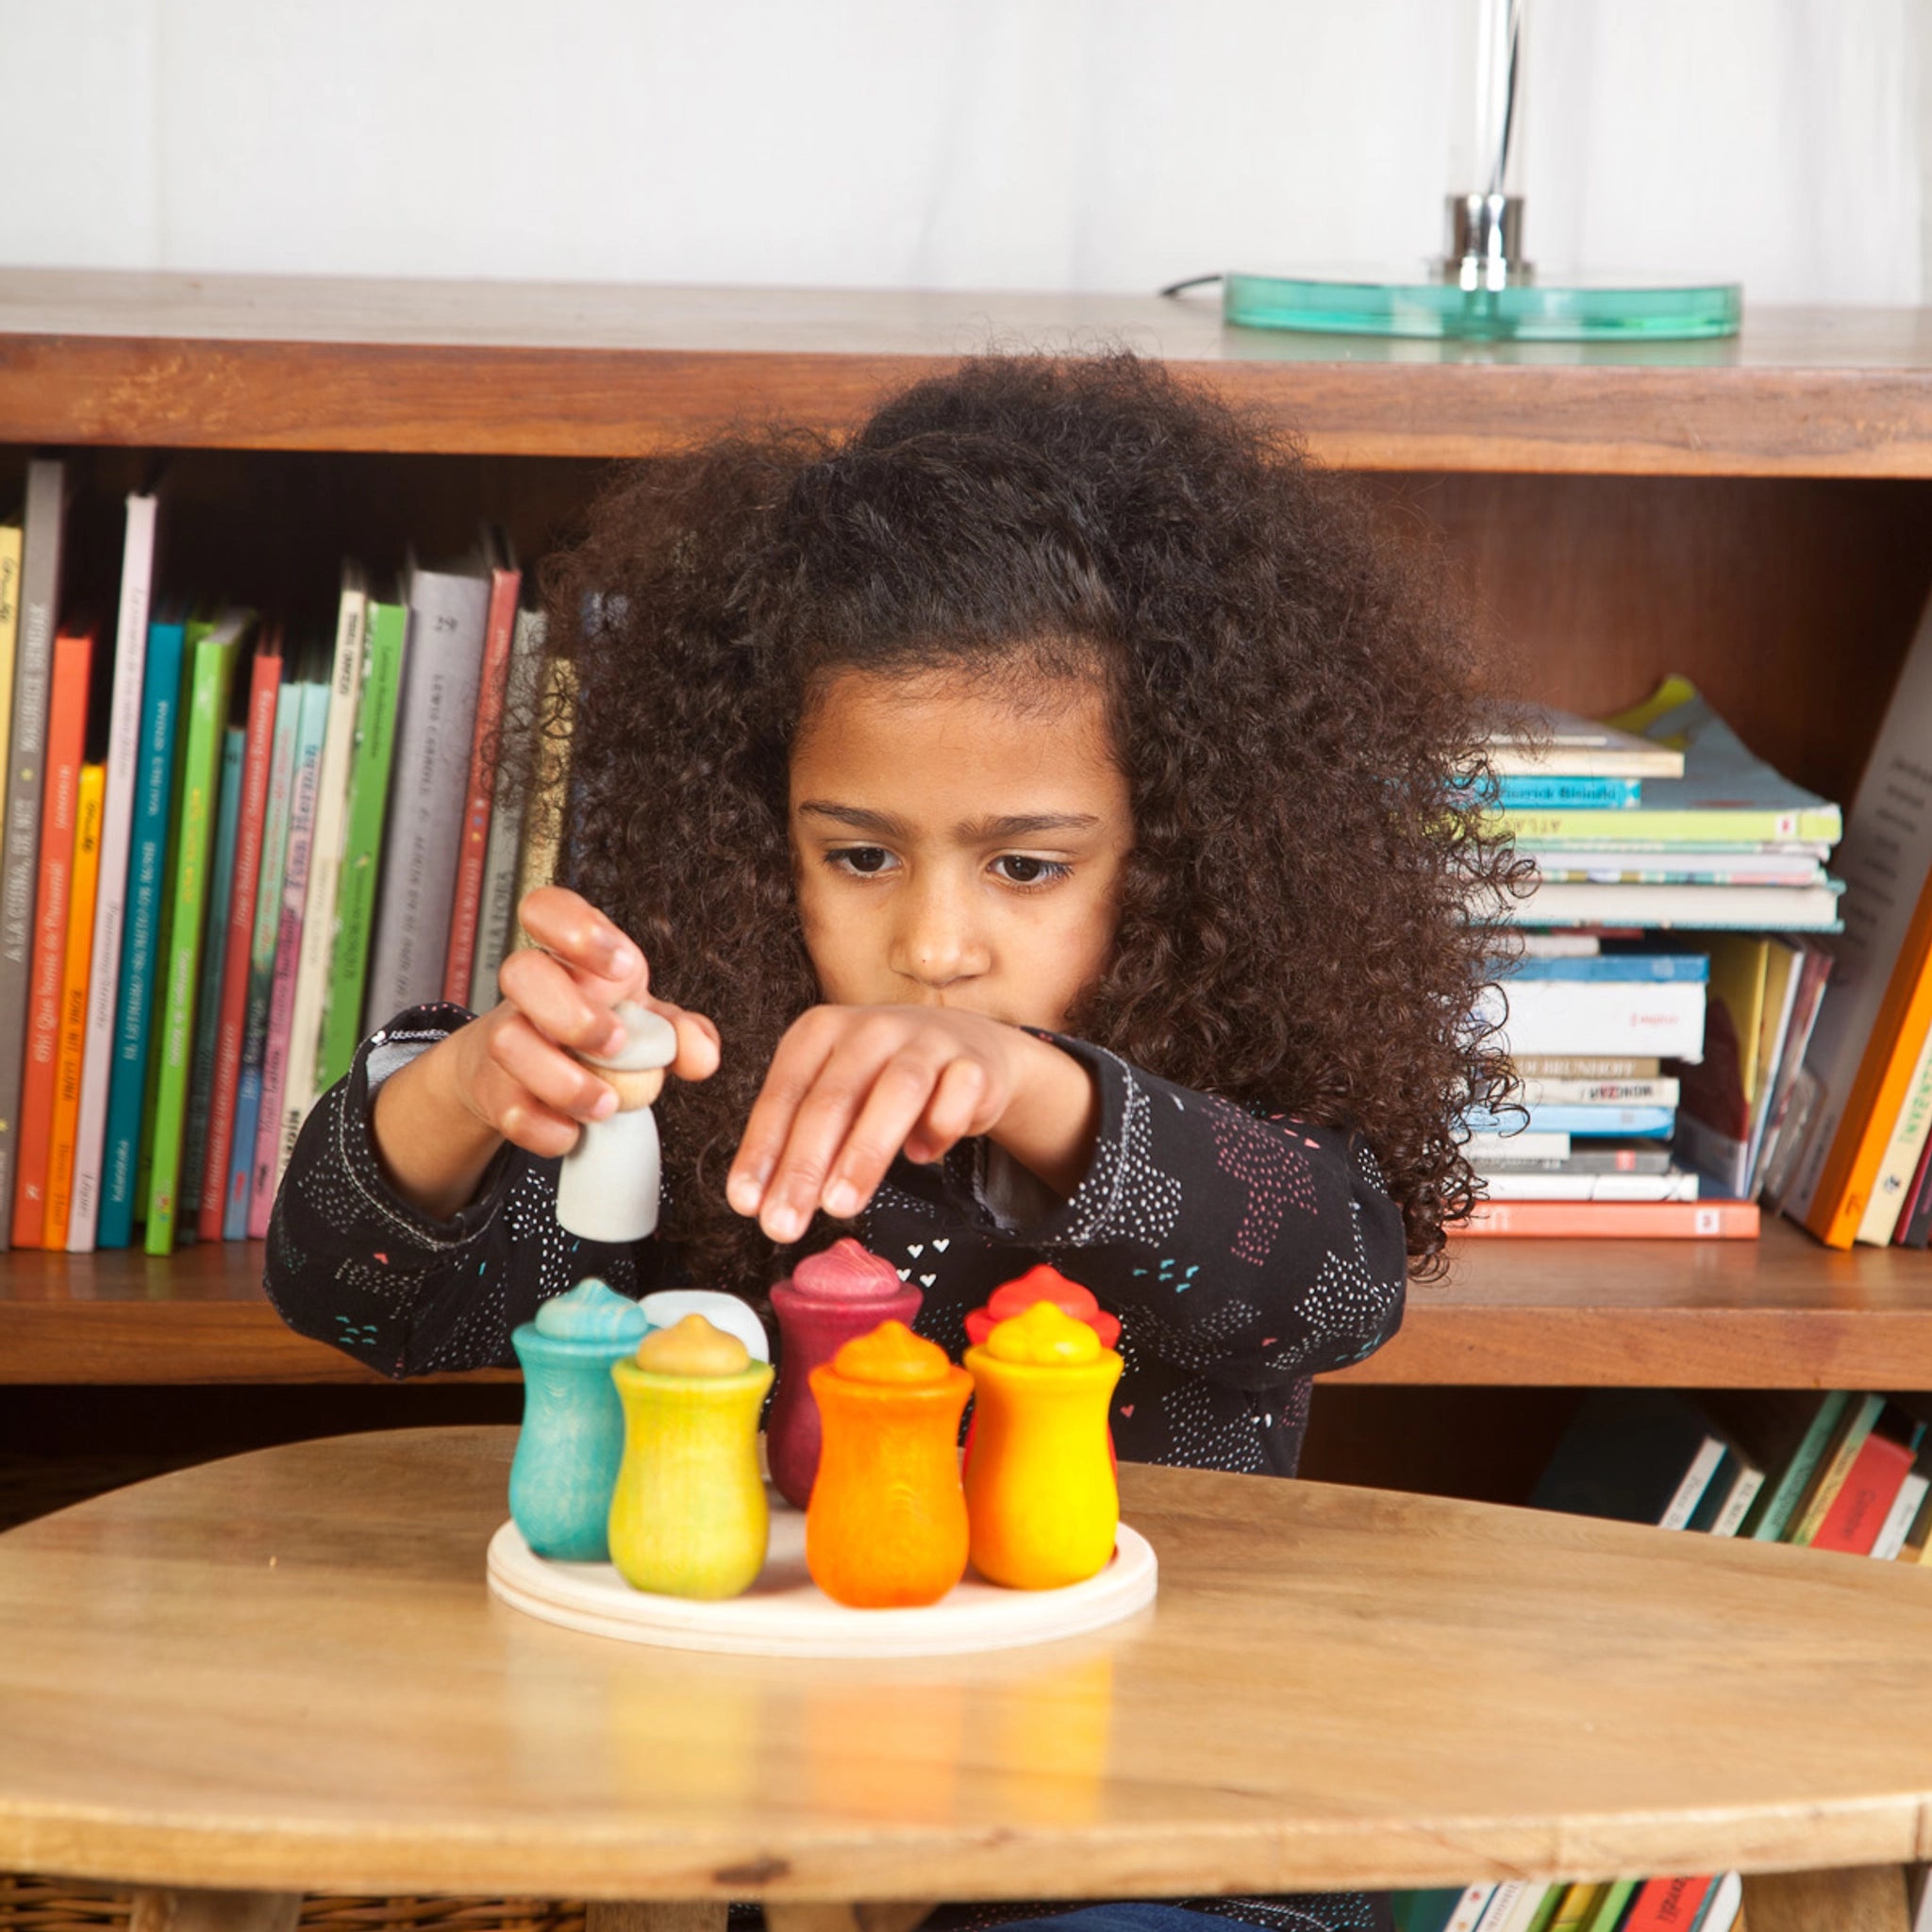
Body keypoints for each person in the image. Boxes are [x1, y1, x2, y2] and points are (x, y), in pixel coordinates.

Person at [267, 352, 1519, 1932]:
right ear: (756, 824)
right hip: (739, 1801)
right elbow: (361, 1302)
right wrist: (472, 1092)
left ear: (1184, 851)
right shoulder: (687, 1059)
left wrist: (1037, 1091)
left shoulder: (1218, 1122)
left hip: (1144, 1819)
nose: (936, 946)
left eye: (1025, 868)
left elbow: (1339, 1281)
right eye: (860, 854)